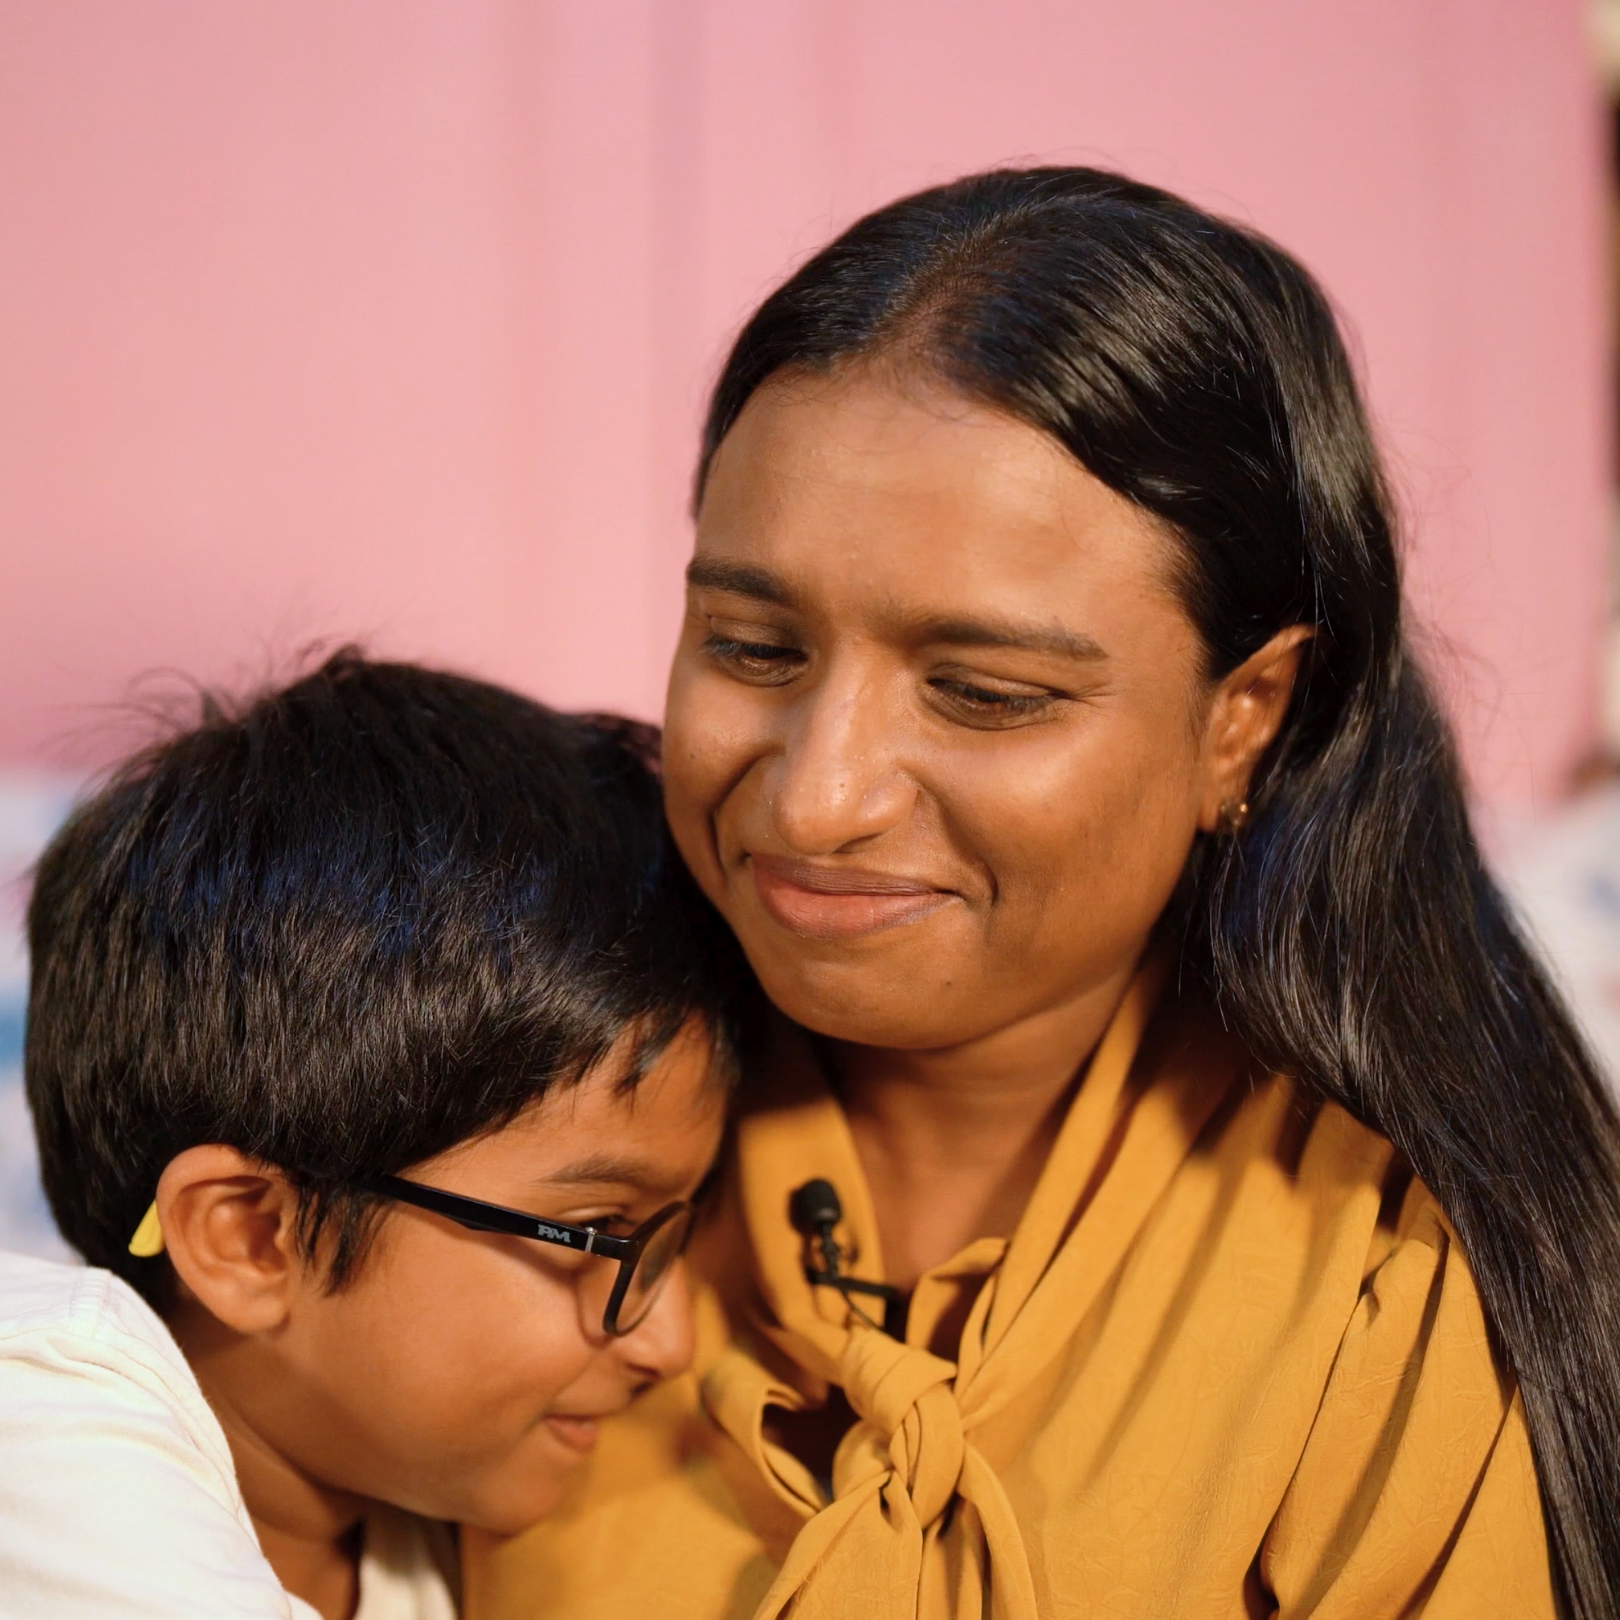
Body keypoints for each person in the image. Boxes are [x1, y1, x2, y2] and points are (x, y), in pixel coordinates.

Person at [466, 170, 1620, 1619]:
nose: (819, 798)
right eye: (755, 649)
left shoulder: (1399, 1291)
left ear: (1242, 719)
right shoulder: (474, 1132)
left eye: (984, 694)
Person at [4, 653, 740, 1620]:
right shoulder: (42, 1409)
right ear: (251, 1236)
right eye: (603, 1230)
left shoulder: (418, 1531)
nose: (671, 1345)